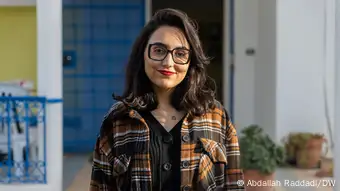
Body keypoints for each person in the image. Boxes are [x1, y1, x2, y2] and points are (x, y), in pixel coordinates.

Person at [90, 8, 245, 191]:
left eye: (180, 54)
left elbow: (235, 185)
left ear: (191, 62)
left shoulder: (217, 117)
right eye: (159, 50)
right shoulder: (118, 120)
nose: (168, 63)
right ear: (143, 55)